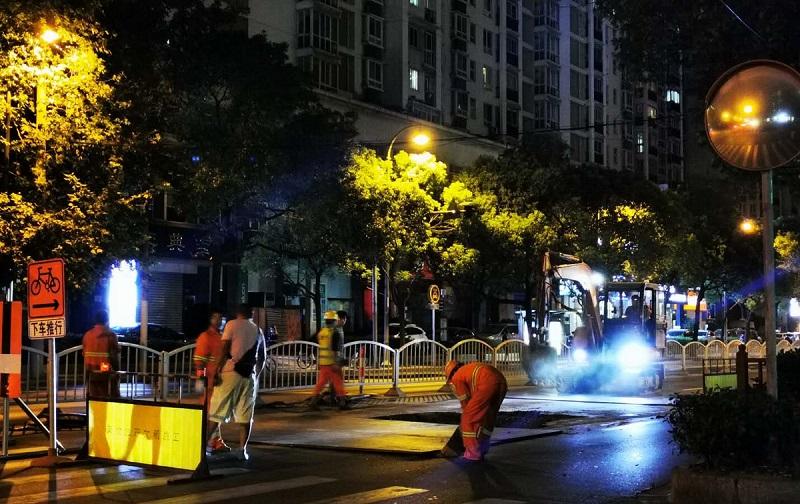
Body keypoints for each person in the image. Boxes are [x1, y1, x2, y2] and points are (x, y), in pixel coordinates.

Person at [207, 304, 266, 461]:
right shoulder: (258, 330)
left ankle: (202, 450)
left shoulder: (231, 325)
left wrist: (216, 370)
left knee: (216, 412)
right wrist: (256, 375)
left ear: (237, 312)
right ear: (251, 313)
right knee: (245, 415)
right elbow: (262, 358)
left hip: (230, 373)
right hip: (248, 376)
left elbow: (224, 348)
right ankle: (242, 450)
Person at [444, 359, 508, 461]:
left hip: (487, 383)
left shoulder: (457, 377)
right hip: (501, 381)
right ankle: (483, 447)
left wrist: (466, 420)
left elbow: (465, 402)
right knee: (489, 417)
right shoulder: (469, 369)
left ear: (451, 374)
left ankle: (472, 453)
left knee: (468, 418)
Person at [193, 308, 228, 453]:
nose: (219, 321)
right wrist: (201, 378)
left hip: (220, 380)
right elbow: (199, 361)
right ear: (210, 319)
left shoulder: (223, 336)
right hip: (210, 381)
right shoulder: (205, 336)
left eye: (221, 318)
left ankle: (214, 440)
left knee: (216, 412)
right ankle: (210, 442)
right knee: (211, 412)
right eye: (216, 317)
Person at [309, 311, 348, 410]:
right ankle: (342, 403)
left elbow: (320, 346)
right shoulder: (334, 333)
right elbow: (335, 350)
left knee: (320, 384)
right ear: (334, 321)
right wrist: (337, 362)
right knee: (338, 383)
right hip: (332, 363)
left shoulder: (321, 332)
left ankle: (313, 402)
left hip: (323, 363)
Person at [82, 310, 120, 398]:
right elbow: (114, 357)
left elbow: (84, 353)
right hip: (105, 372)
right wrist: (117, 373)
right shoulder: (109, 335)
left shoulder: (87, 335)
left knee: (94, 400)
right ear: (107, 320)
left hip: (90, 372)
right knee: (111, 399)